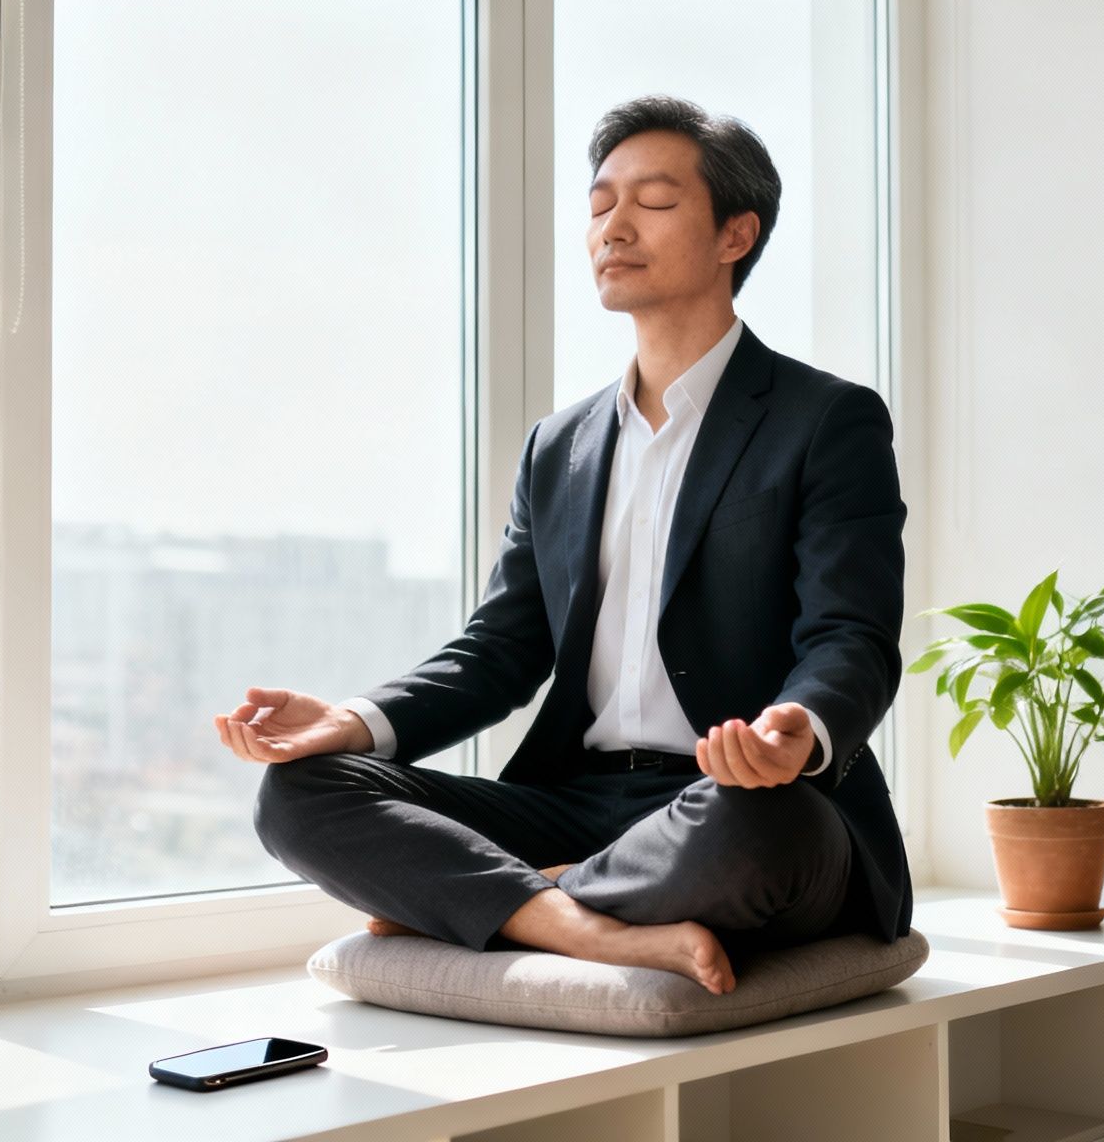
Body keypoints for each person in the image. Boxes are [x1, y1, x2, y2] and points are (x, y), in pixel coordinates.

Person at [214, 95, 908, 997]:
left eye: (652, 202)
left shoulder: (825, 420)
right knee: (302, 791)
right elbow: (498, 654)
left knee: (762, 830)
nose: (613, 227)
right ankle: (579, 922)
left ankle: (490, 903)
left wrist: (795, 732)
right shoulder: (560, 445)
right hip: (574, 803)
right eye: (598, 206)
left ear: (736, 235)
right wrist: (353, 722)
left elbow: (851, 636)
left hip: (733, 802)